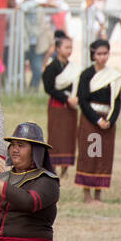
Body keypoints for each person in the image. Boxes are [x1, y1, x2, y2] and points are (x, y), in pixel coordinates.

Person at [75, 39, 121, 202]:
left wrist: (110, 120)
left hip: (107, 120)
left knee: (104, 155)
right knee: (89, 154)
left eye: (105, 53)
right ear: (93, 55)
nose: (102, 57)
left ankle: (99, 193)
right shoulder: (86, 74)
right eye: (99, 54)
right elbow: (82, 100)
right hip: (90, 120)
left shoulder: (114, 77)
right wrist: (96, 120)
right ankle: (87, 193)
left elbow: (117, 101)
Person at [41, 32, 80, 177]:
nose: (69, 51)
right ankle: (54, 166)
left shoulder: (74, 68)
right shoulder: (52, 67)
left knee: (69, 135)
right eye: (66, 47)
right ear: (58, 48)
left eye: (71, 48)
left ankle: (66, 167)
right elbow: (49, 88)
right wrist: (65, 98)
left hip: (71, 107)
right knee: (56, 135)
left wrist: (75, 99)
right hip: (57, 105)